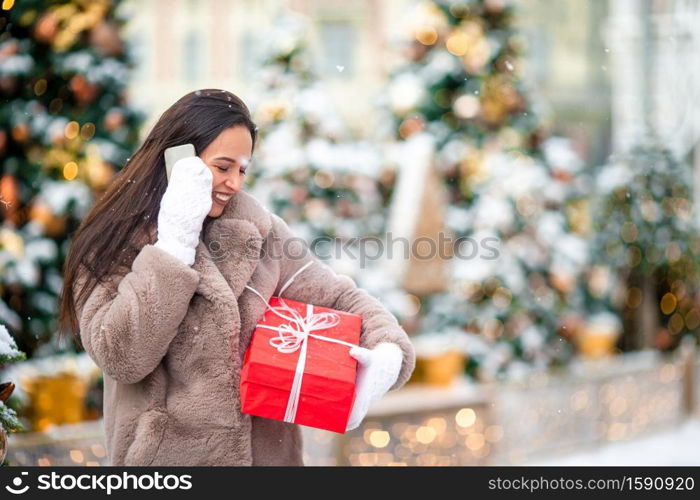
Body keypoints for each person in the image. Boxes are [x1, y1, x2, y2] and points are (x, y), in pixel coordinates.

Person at [58, 89, 415, 466]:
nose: (234, 184)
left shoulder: (259, 230)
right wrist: (174, 244)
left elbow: (339, 297)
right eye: (223, 167)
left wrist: (387, 349)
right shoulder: (114, 241)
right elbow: (123, 355)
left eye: (242, 170)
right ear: (178, 159)